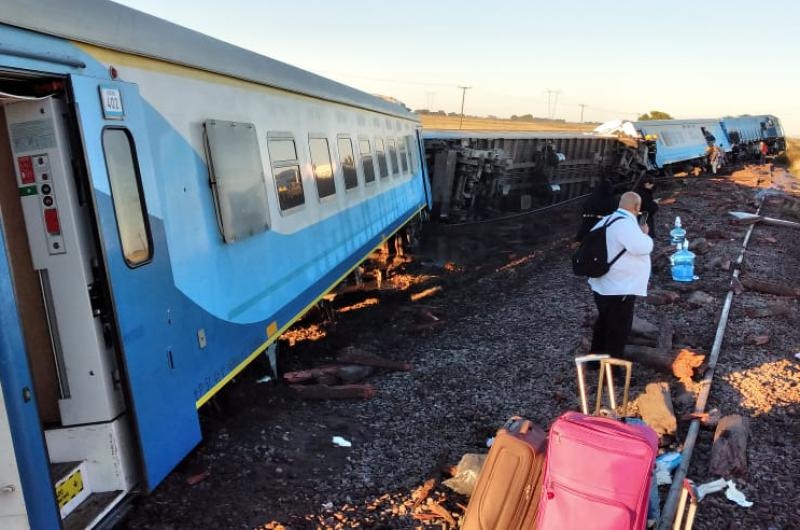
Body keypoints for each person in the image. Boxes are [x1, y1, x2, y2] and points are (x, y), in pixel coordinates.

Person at [588, 192, 653, 358]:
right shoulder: (625, 225)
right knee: (618, 330)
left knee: (603, 323)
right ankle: (613, 370)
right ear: (637, 207)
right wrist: (644, 234)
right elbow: (643, 247)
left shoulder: (606, 220)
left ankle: (594, 361)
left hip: (601, 283)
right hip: (619, 287)